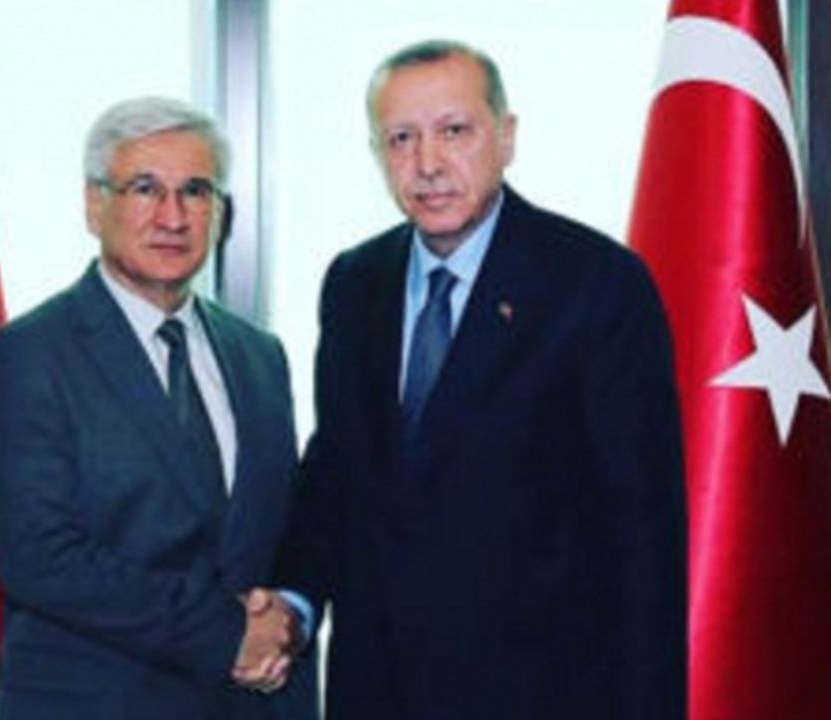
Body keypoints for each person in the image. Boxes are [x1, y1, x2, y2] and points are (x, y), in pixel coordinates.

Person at [276, 40, 687, 718]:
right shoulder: (354, 283)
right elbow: (336, 472)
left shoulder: (596, 283)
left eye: (454, 131)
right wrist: (292, 600)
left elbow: (644, 535)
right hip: (376, 692)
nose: (428, 164)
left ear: (507, 137)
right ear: (378, 154)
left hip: (542, 696)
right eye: (401, 139)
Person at [0, 97, 315, 720]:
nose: (172, 217)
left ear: (221, 212)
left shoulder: (260, 356)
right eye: (145, 189)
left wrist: (288, 616)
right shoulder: (24, 356)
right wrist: (226, 636)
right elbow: (41, 557)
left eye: (196, 191)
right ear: (94, 204)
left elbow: (284, 526)